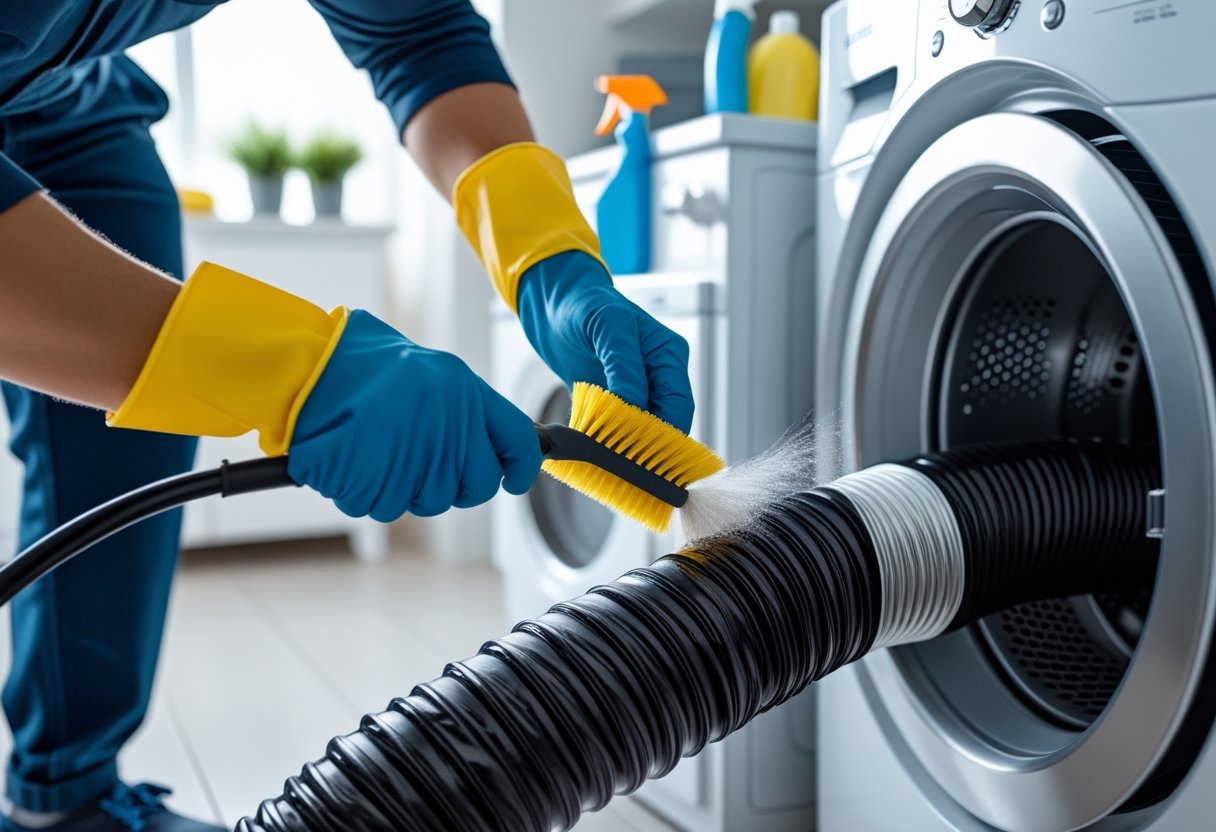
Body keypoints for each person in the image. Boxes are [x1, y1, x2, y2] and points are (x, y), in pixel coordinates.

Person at [0, 3, 695, 830]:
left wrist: (546, 258)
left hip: (71, 93)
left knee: (126, 430)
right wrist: (289, 374)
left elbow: (420, 32)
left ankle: (62, 799)